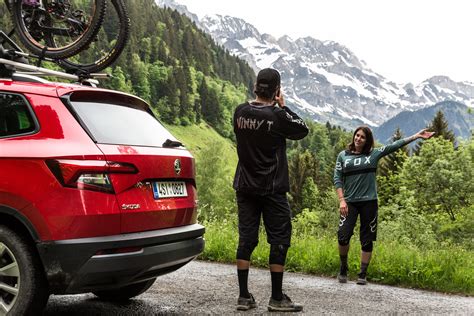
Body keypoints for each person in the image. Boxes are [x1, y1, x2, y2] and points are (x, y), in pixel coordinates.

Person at [233, 68, 308, 312]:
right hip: (272, 188)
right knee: (279, 240)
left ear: (256, 86)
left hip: (245, 186)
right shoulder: (279, 116)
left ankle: (244, 296)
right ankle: (276, 298)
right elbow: (302, 129)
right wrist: (283, 106)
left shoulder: (239, 112)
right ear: (276, 90)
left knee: (246, 238)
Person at [333, 126, 434, 285]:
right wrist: (342, 200)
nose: (358, 139)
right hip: (349, 203)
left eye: (362, 137)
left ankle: (362, 274)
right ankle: (343, 267)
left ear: (367, 141)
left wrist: (416, 136)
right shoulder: (343, 156)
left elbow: (395, 145)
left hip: (369, 203)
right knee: (343, 236)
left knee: (367, 240)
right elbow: (337, 178)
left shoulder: (373, 154)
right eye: (357, 135)